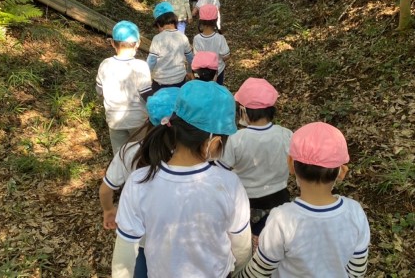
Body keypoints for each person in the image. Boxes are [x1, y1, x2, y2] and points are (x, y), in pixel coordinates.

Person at [111, 80, 252, 278]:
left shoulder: (138, 181)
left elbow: (124, 257)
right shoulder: (229, 184)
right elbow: (242, 247)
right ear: (213, 142)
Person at [239, 122, 370, 278]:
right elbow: (358, 270)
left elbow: (260, 271)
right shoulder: (355, 212)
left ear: (291, 165)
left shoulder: (281, 218)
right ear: (342, 172)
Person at [99, 87, 180, 278]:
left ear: (148, 116)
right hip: (177, 241)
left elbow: (105, 190)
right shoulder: (188, 158)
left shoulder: (129, 151)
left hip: (140, 239)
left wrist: (109, 210)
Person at [217, 78, 292, 241]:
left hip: (246, 204)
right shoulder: (286, 135)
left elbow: (220, 170)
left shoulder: (236, 139)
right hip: (280, 200)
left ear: (243, 111)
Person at [96, 21, 152, 155]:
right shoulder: (141, 66)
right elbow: (147, 95)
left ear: (112, 43)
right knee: (139, 154)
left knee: (119, 155)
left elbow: (99, 91)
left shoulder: (105, 64)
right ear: (138, 43)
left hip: (115, 120)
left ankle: (121, 174)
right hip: (138, 120)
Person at [146, 2, 194, 92]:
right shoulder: (182, 37)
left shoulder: (157, 38)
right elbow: (190, 57)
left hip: (160, 82)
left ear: (159, 24)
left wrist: (146, 76)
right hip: (179, 79)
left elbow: (151, 61)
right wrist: (189, 71)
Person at [192, 5, 230, 85]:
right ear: (216, 20)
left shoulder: (197, 38)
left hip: (202, 72)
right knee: (217, 90)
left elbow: (196, 55)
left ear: (200, 21)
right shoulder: (220, 38)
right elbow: (226, 56)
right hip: (217, 70)